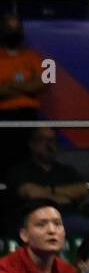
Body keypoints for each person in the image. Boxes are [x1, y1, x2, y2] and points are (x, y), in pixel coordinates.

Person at [4, 127, 89, 240]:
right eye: (43, 140)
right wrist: (59, 197)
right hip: (31, 218)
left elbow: (82, 189)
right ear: (32, 144)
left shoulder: (66, 171)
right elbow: (29, 192)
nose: (49, 145)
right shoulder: (21, 170)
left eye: (52, 140)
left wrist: (49, 191)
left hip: (66, 217)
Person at [0, 14, 46, 170]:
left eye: (16, 28)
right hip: (3, 116)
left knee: (27, 160)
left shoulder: (34, 57)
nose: (13, 32)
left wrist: (11, 86)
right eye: (9, 28)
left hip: (28, 115)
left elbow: (41, 83)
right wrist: (25, 87)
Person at [0, 200, 77, 273]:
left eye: (57, 224)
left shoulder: (68, 272)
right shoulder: (5, 271)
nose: (52, 230)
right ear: (24, 235)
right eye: (41, 225)